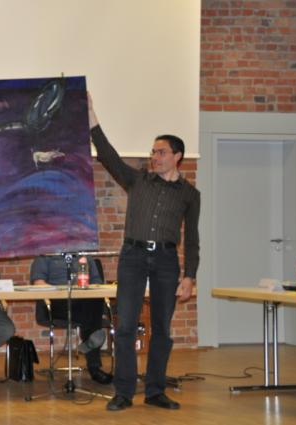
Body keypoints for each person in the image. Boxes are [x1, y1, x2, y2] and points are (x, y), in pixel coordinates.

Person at [87, 94, 200, 411]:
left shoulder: (190, 195)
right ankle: (123, 393)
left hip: (166, 260)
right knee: (125, 326)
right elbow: (107, 155)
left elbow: (192, 238)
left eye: (161, 152)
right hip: (133, 257)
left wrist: (190, 276)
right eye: (153, 152)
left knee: (162, 329)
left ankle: (154, 391)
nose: (154, 157)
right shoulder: (138, 181)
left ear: (177, 156)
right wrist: (92, 117)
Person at [30, 255, 113, 384]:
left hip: (83, 303)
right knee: (91, 315)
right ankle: (93, 365)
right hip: (56, 303)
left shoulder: (86, 258)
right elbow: (38, 283)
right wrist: (59, 292)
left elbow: (97, 285)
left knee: (93, 303)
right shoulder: (45, 257)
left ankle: (92, 357)